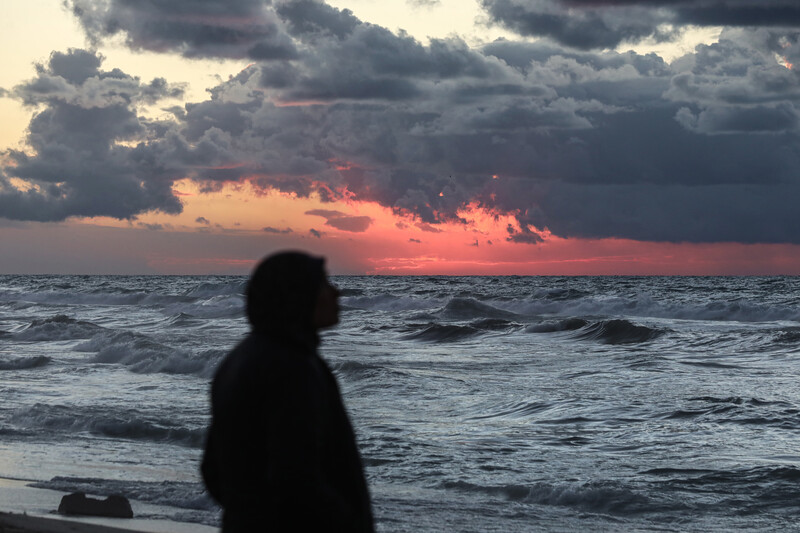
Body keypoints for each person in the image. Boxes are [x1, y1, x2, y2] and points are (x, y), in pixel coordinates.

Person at [201, 251, 374, 532]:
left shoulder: (237, 360)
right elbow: (295, 478)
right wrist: (345, 522)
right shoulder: (292, 369)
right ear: (298, 295)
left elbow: (213, 471)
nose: (336, 292)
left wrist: (247, 513)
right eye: (324, 284)